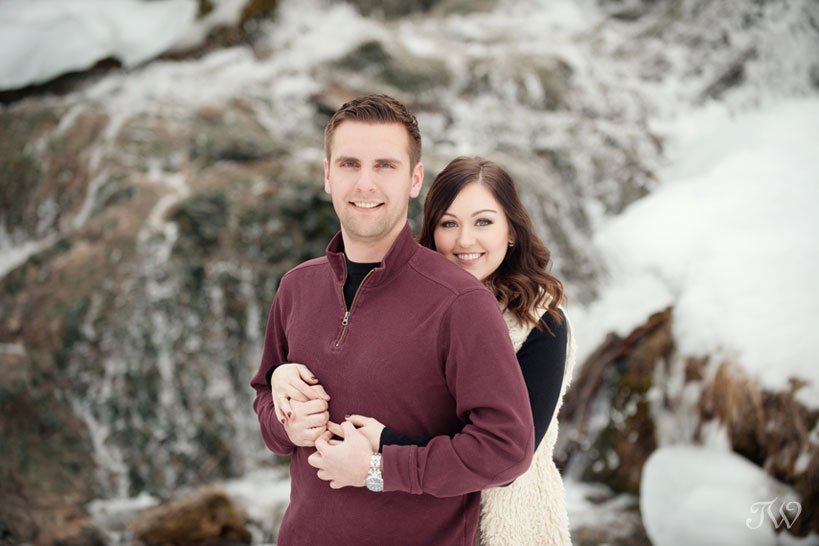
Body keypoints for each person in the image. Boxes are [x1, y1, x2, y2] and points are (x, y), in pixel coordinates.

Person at [250, 95, 534, 546]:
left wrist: (379, 470)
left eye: (385, 165)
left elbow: (507, 449)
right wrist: (283, 422)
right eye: (349, 164)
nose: (365, 184)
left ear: (414, 179)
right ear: (327, 175)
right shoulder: (295, 288)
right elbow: (265, 398)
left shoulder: (460, 302)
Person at [274, 156, 576, 545]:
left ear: (512, 231)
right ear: (431, 232)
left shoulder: (540, 324)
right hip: (417, 515)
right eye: (449, 223)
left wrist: (384, 451)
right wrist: (279, 374)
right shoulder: (406, 300)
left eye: (483, 222)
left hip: (503, 521)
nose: (465, 240)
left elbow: (509, 456)